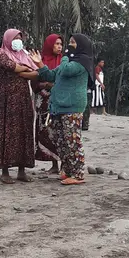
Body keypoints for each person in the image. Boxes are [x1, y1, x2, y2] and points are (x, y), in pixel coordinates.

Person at [30, 34, 94, 185]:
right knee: (61, 140)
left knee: (72, 140)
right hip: (59, 107)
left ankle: (77, 174)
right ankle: (67, 170)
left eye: (73, 43)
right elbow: (51, 75)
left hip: (72, 107)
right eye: (69, 42)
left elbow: (65, 70)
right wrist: (39, 64)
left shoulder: (82, 62)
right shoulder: (69, 61)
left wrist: (66, 55)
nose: (69, 45)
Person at [0, 29, 39, 184]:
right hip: (7, 99)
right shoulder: (0, 54)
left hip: (24, 99)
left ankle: (22, 170)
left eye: (20, 38)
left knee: (24, 131)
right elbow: (12, 66)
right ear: (7, 39)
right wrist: (24, 69)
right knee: (8, 131)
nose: (18, 41)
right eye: (15, 38)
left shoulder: (24, 55)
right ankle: (5, 171)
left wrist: (23, 70)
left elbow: (36, 72)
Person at [35, 34, 64, 174]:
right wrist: (46, 84)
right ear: (50, 45)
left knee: (60, 131)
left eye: (61, 44)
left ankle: (64, 164)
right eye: (57, 44)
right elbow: (34, 82)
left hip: (59, 102)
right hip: (44, 102)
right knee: (46, 131)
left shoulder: (64, 62)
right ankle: (54, 164)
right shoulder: (41, 61)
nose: (59, 46)